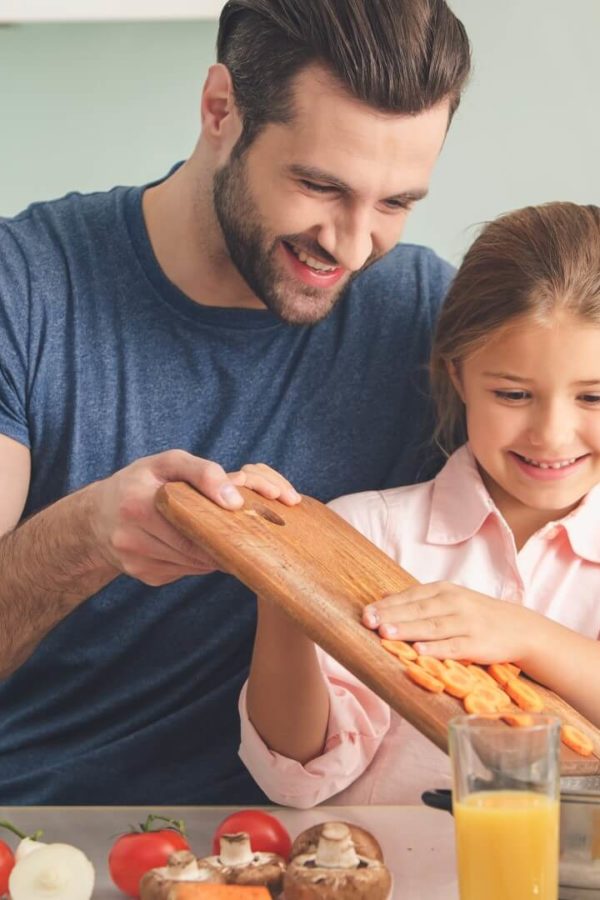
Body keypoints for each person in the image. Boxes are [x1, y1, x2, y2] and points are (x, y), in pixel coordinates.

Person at [0, 0, 470, 803]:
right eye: (320, 185)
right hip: (49, 829)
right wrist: (88, 533)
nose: (355, 246)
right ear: (221, 108)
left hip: (329, 847)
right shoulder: (28, 287)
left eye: (396, 204)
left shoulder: (427, 317)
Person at [240, 201, 600, 806]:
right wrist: (283, 586)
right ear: (457, 375)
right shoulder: (365, 535)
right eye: (513, 393)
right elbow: (295, 775)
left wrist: (527, 637)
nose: (552, 434)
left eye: (594, 397)